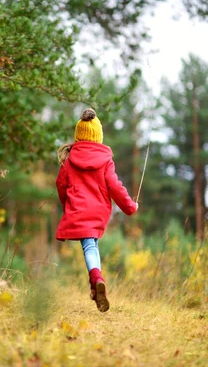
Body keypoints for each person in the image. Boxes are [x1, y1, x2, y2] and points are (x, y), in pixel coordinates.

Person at [55, 108, 138, 312]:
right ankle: (96, 286)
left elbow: (60, 185)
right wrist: (130, 206)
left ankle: (97, 278)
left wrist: (67, 205)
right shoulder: (105, 161)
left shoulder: (69, 160)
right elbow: (115, 186)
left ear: (79, 135)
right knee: (91, 245)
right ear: (98, 136)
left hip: (78, 208)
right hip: (99, 211)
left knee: (89, 246)